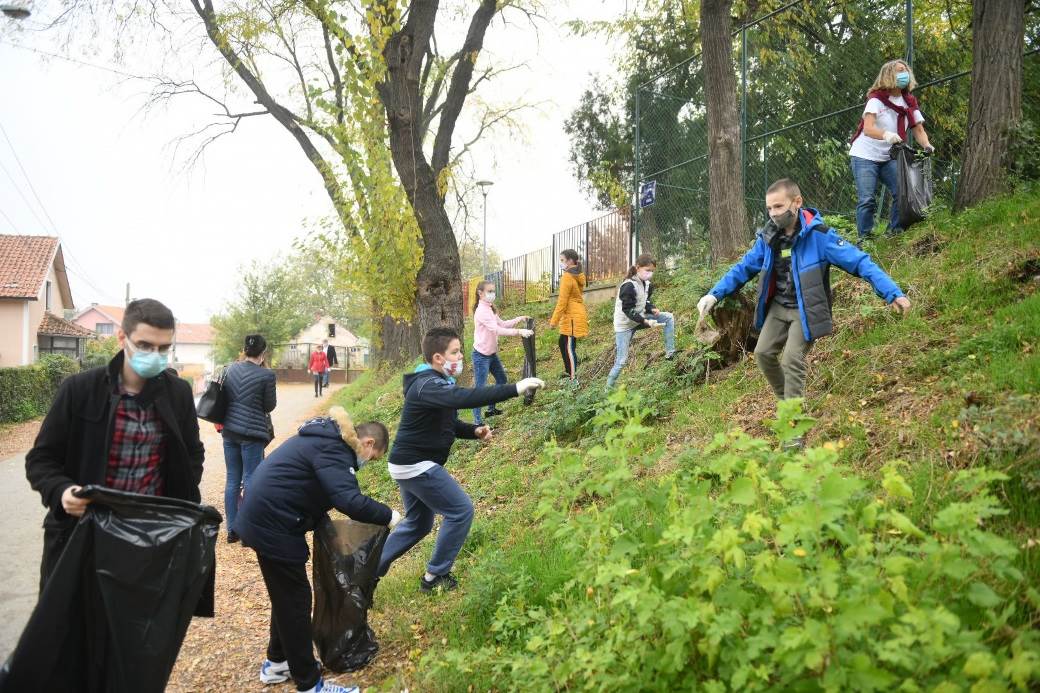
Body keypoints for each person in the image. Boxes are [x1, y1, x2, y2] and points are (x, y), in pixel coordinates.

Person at [697, 179, 910, 444]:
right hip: (778, 308)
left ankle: (793, 427)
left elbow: (859, 262)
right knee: (763, 354)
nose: (774, 213)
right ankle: (789, 404)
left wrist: (892, 292)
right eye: (769, 208)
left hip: (805, 310)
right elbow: (742, 268)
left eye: (779, 206)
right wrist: (714, 294)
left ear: (796, 203)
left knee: (792, 360)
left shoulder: (820, 236)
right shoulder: (767, 238)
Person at [25, 298, 206, 589]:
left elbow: (192, 452)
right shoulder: (80, 390)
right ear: (122, 337)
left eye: (164, 349)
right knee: (76, 629)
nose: (155, 355)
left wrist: (178, 504)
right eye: (145, 345)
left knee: (138, 629)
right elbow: (41, 459)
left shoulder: (178, 394)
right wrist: (61, 491)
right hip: (84, 537)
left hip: (150, 538)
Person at [235, 406, 399, 693]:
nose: (368, 461)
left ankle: (276, 663)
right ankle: (310, 684)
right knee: (295, 602)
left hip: (267, 517)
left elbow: (314, 489)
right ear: (368, 443)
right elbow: (349, 500)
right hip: (272, 523)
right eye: (373, 457)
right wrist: (389, 516)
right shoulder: (334, 449)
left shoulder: (326, 439)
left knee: (287, 597)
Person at [376, 327, 544, 592]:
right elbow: (463, 398)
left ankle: (368, 569)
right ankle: (435, 577)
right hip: (416, 464)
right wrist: (514, 388)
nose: (460, 358)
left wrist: (473, 431)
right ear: (438, 358)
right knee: (461, 510)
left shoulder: (438, 384)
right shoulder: (426, 384)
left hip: (408, 464)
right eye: (455, 352)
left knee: (419, 523)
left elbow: (448, 423)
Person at [849, 59, 934, 240]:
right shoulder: (876, 100)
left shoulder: (909, 102)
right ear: (888, 75)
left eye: (905, 71)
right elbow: (868, 128)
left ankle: (893, 233)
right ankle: (865, 239)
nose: (904, 74)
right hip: (865, 155)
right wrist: (887, 135)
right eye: (899, 71)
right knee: (867, 199)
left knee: (901, 193)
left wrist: (926, 145)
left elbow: (918, 129)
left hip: (889, 156)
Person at [221, 333, 277, 544]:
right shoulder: (267, 376)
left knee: (232, 480)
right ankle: (249, 530)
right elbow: (269, 406)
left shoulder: (229, 369)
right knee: (252, 478)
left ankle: (232, 530)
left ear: (244, 350)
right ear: (263, 354)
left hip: (229, 432)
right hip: (253, 434)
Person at [606, 255, 677, 389]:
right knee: (621, 361)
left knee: (668, 317)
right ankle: (608, 389)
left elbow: (645, 302)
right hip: (625, 326)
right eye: (647, 270)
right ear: (638, 268)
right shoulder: (628, 286)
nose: (650, 273)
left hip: (640, 319)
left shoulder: (647, 285)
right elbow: (628, 310)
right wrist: (645, 321)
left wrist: (652, 309)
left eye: (652, 271)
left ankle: (670, 353)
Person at [471, 280, 533, 425]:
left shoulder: (490, 308)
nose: (492, 294)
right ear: (480, 293)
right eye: (489, 291)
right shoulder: (481, 311)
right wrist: (519, 332)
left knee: (502, 380)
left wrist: (519, 319)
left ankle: (491, 409)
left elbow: (502, 324)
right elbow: (497, 330)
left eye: (493, 291)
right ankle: (477, 422)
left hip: (491, 354)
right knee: (479, 389)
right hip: (481, 356)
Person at [548, 249, 589, 383]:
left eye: (562, 260)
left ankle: (572, 379)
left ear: (570, 261)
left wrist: (554, 321)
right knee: (563, 343)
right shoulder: (576, 274)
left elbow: (562, 301)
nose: (561, 263)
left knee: (568, 348)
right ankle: (568, 373)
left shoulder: (567, 276)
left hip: (572, 316)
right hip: (575, 313)